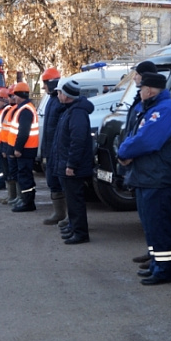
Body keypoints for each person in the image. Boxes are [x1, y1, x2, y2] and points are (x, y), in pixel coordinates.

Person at [117, 72, 171, 285]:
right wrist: (125, 151)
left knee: (159, 225)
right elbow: (134, 135)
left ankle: (163, 271)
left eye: (142, 88)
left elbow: (146, 140)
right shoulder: (152, 108)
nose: (140, 92)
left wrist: (124, 152)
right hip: (148, 176)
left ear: (150, 90)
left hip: (158, 177)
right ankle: (156, 265)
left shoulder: (164, 110)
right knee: (151, 225)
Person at [121, 60, 159, 267]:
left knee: (155, 217)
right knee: (146, 215)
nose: (134, 77)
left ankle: (159, 259)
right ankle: (152, 251)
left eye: (137, 74)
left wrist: (128, 153)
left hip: (149, 168)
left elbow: (145, 138)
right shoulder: (139, 100)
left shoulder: (158, 106)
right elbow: (132, 130)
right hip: (138, 166)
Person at [55, 80, 95, 244]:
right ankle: (74, 227)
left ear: (66, 95)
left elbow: (77, 141)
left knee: (75, 200)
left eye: (59, 93)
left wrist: (71, 164)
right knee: (72, 199)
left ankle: (80, 233)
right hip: (68, 163)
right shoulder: (70, 110)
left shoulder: (77, 113)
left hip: (74, 166)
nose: (58, 96)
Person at [39, 67, 67, 225]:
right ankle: (59, 213)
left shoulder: (58, 102)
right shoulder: (52, 100)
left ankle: (67, 215)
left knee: (63, 183)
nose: (43, 87)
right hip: (51, 150)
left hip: (58, 151)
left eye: (45, 83)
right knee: (53, 181)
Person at [8, 81, 39, 212]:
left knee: (25, 176)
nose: (13, 97)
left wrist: (18, 148)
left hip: (26, 150)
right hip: (27, 149)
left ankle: (28, 203)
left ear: (19, 95)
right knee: (24, 175)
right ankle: (27, 201)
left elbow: (23, 132)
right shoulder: (25, 108)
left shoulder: (25, 110)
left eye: (15, 95)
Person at [0, 84, 19, 204]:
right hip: (7, 145)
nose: (9, 98)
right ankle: (12, 196)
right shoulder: (11, 110)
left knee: (14, 172)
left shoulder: (16, 110)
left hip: (11, 146)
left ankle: (16, 197)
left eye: (11, 96)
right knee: (9, 172)